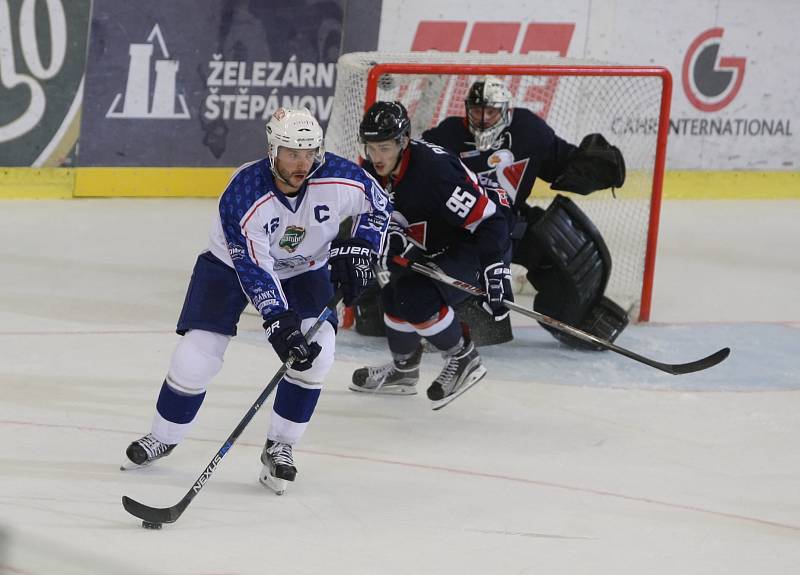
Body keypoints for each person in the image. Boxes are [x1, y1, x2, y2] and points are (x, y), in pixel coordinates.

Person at [122, 107, 391, 494]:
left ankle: (280, 447)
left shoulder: (339, 176)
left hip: (305, 269)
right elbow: (254, 267)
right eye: (292, 153)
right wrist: (278, 320)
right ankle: (163, 436)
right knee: (195, 357)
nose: (303, 163)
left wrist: (363, 247)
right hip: (229, 266)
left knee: (319, 353)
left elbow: (379, 203)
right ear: (273, 151)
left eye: (310, 152)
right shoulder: (244, 192)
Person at [422, 76, 629, 349]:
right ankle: (439, 318)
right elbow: (417, 174)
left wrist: (593, 166)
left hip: (509, 224)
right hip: (463, 233)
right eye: (477, 111)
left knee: (560, 253)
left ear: (506, 111)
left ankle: (576, 316)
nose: (483, 119)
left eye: (491, 111)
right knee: (447, 278)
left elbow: (561, 162)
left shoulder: (529, 131)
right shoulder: (447, 135)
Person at [350, 101, 512, 409]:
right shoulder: (373, 168)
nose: (376, 156)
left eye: (384, 147)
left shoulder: (434, 174)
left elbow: (489, 222)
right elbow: (385, 212)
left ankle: (464, 358)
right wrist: (390, 239)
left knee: (416, 297)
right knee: (392, 292)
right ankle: (404, 371)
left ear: (403, 141)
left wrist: (495, 269)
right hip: (435, 242)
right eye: (371, 148)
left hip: (477, 245)